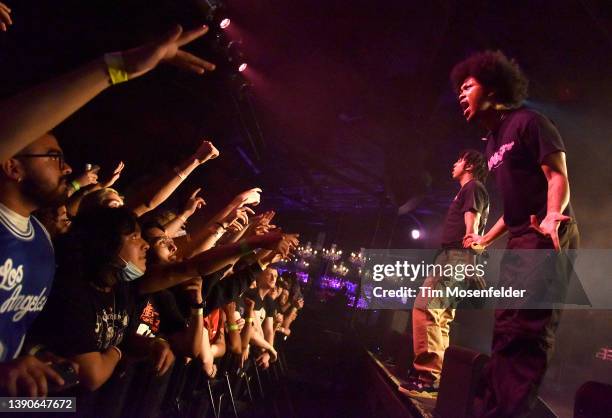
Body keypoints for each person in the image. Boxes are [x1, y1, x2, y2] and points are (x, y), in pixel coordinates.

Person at [452, 50, 579, 418]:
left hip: (548, 234)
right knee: (505, 329)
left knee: (526, 334)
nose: (461, 94)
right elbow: (513, 209)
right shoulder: (491, 144)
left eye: (468, 86)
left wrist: (555, 214)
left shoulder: (530, 122)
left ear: (493, 87)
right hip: (521, 236)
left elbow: (557, 175)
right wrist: (485, 239)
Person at [401, 150, 489, 399]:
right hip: (458, 257)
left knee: (426, 308)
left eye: (459, 160)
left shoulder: (472, 187)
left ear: (470, 165)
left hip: (455, 257)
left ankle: (428, 378)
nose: (454, 163)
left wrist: (470, 243)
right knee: (440, 318)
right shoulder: (472, 188)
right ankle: (434, 378)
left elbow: (473, 217)